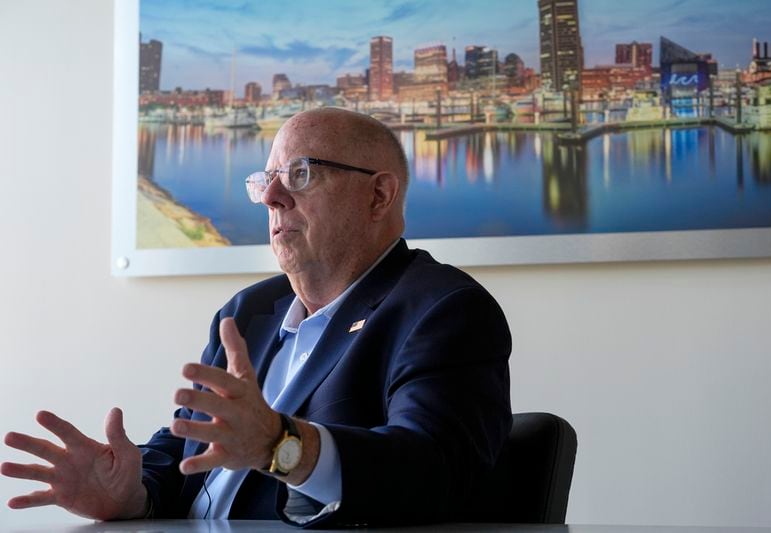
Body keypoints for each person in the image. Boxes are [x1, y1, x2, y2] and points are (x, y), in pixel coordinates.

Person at [2, 108, 512, 527]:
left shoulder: (444, 311)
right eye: (266, 180)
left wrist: (282, 447)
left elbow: (434, 473)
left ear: (378, 195)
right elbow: (193, 449)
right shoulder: (249, 312)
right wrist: (130, 493)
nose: (270, 197)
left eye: (300, 174)